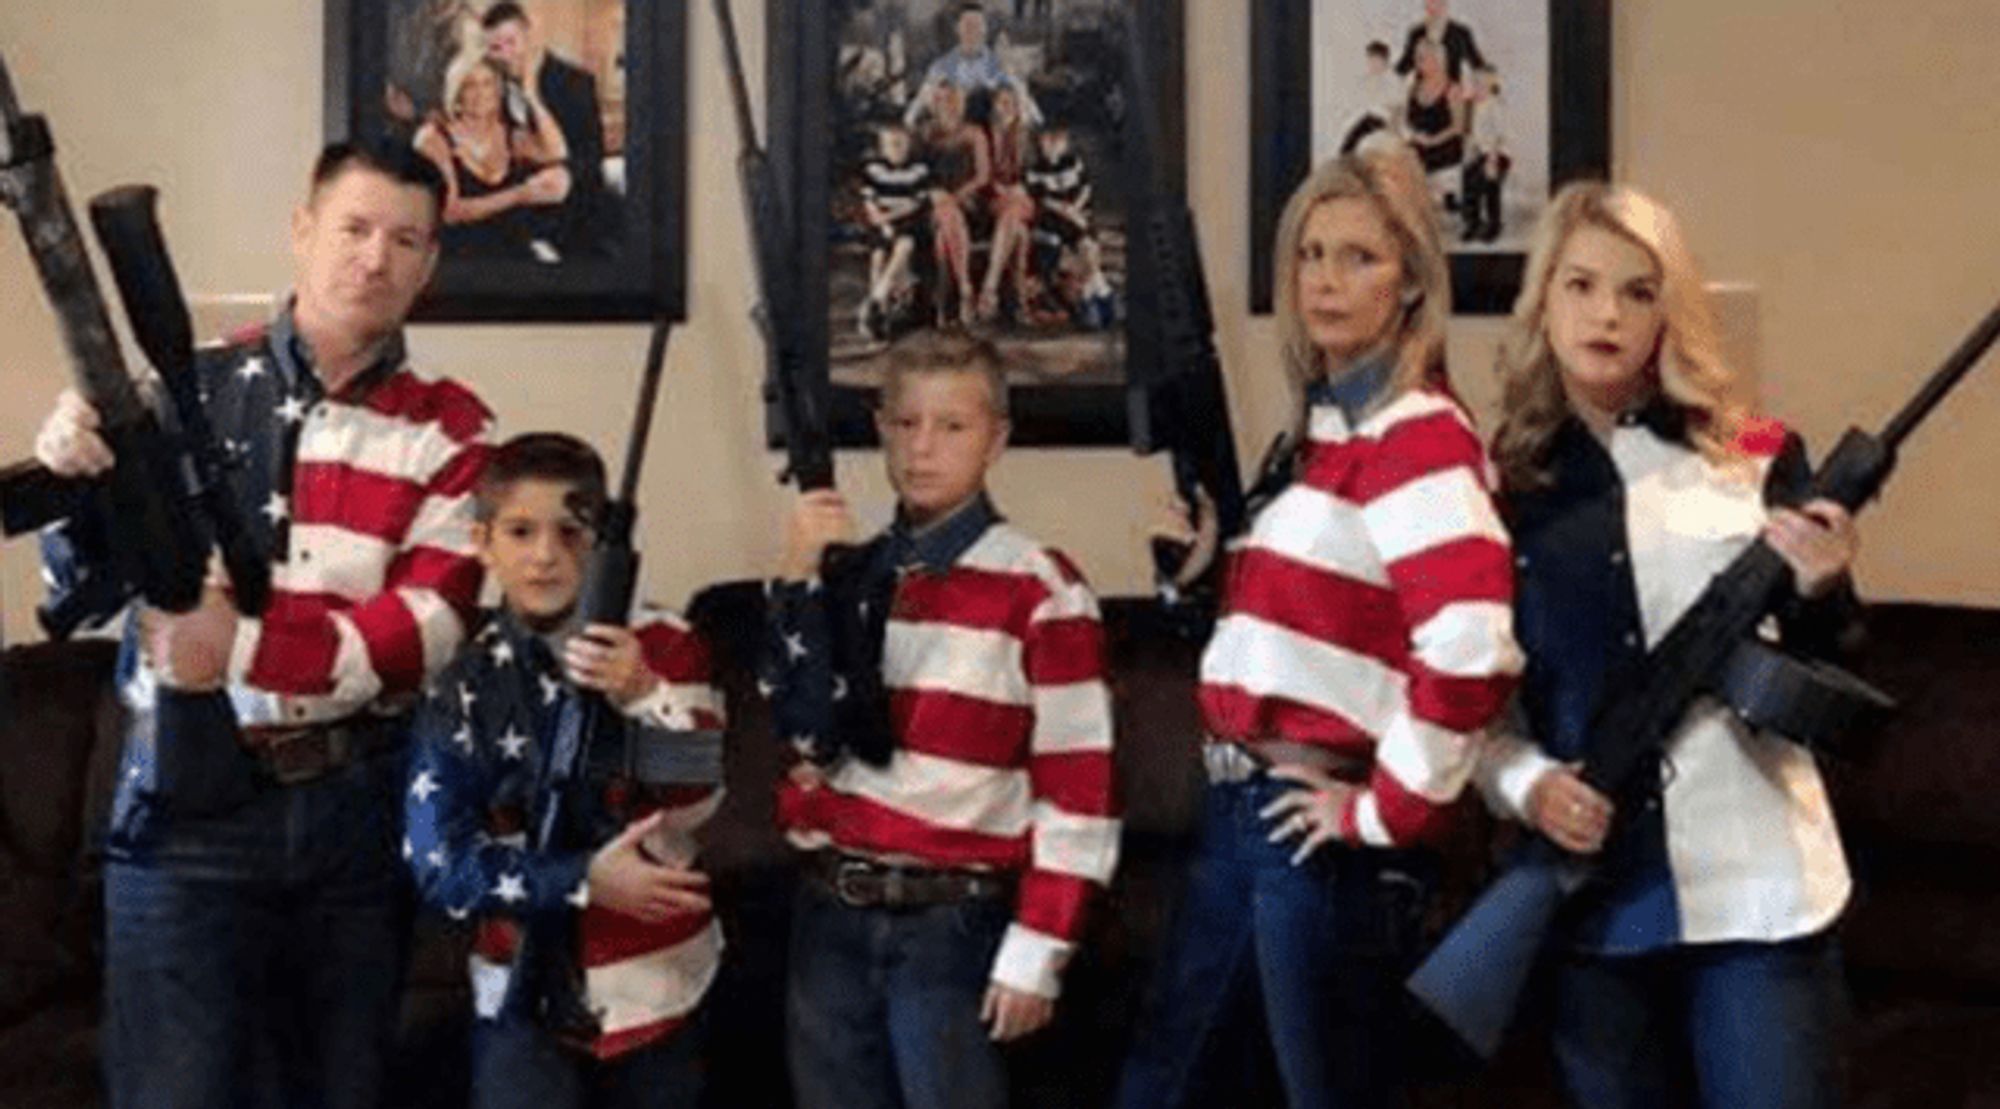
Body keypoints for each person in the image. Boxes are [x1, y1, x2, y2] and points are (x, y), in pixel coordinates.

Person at [33, 140, 493, 1109]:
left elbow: (425, 628)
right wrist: (76, 475)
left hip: (356, 812)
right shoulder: (180, 388)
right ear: (302, 229)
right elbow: (78, 586)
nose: (375, 259)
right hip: (180, 802)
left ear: (429, 263)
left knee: (341, 1087)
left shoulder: (452, 430)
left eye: (405, 239)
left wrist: (234, 646)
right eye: (354, 227)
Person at [1114, 145, 1522, 1109]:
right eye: (1310, 254)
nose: (1326, 281)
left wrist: (1380, 812)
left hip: (1317, 841)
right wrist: (1218, 570)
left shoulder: (1417, 434)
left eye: (1360, 259)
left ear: (1414, 285)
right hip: (1242, 814)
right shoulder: (1327, 433)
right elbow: (1321, 636)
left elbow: (1474, 645)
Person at [1475, 182, 1859, 1109]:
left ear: (1668, 314)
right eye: (1581, 285)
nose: (1606, 312)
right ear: (1544, 303)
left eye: (1639, 291)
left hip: (1763, 890)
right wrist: (1528, 787)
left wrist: (1822, 581)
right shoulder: (1498, 483)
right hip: (1593, 899)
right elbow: (1476, 711)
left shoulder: (1762, 448)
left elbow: (1835, 648)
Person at [762, 333, 1119, 1109]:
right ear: (881, 426)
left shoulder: (1039, 586)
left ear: (997, 438)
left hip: (952, 925)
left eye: (953, 426)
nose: (924, 448)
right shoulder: (846, 572)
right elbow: (798, 725)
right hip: (831, 911)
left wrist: (1040, 949)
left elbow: (1079, 787)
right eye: (907, 422)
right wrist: (796, 579)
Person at [404, 433, 725, 1109]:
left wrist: (642, 692)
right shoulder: (461, 682)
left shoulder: (667, 644)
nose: (545, 555)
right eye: (521, 531)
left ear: (602, 542)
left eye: (571, 532)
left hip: (656, 987)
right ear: (483, 542)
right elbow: (441, 865)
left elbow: (695, 799)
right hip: (518, 993)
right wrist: (582, 881)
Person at [482, 1, 617, 256]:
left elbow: (591, 158)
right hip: (512, 219)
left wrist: (566, 176)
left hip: (572, 219)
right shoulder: (487, 85)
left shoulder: (575, 83)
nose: (505, 54)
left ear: (529, 36)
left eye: (511, 42)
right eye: (495, 48)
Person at [414, 50, 573, 262]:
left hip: (514, 251)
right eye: (470, 85)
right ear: (457, 92)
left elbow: (557, 151)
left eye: (487, 83)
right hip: (458, 258)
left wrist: (531, 95)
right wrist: (520, 194)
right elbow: (449, 212)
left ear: (499, 90)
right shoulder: (433, 138)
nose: (480, 93)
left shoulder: (511, 135)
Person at [1021, 119, 1114, 329]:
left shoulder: (1072, 163)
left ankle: (1097, 288)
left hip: (1075, 215)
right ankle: (1090, 297)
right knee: (1063, 254)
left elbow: (1084, 188)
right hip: (1051, 221)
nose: (1052, 144)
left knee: (1087, 245)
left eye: (1058, 140)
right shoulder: (1035, 170)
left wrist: (1076, 207)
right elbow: (1043, 200)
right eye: (1047, 140)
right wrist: (1067, 211)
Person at [919, 82, 991, 329]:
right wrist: (934, 193)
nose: (948, 105)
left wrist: (958, 196)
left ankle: (944, 303)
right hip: (934, 202)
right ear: (934, 104)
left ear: (962, 104)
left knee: (943, 236)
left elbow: (983, 176)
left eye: (953, 100)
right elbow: (919, 174)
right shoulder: (926, 133)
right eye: (942, 100)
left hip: (968, 201)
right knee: (945, 215)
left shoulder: (974, 133)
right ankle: (964, 289)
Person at [904, 3, 1042, 129]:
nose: (973, 31)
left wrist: (1035, 121)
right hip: (957, 131)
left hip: (992, 129)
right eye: (968, 25)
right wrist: (909, 122)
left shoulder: (1000, 65)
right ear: (957, 29)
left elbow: (1023, 94)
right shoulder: (942, 66)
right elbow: (922, 99)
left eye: (978, 25)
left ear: (985, 29)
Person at [858, 122, 934, 341]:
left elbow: (916, 203)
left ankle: (876, 299)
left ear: (909, 146)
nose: (897, 149)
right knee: (878, 257)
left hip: (908, 221)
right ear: (883, 148)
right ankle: (879, 314)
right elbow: (869, 200)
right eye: (891, 145)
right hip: (881, 222)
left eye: (901, 145)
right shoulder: (874, 170)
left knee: (905, 245)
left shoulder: (918, 170)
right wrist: (881, 221)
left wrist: (891, 218)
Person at [973, 85, 1038, 323]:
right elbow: (981, 172)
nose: (1007, 105)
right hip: (994, 199)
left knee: (1014, 209)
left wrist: (1023, 186)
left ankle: (989, 289)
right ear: (994, 106)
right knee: (1018, 231)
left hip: (1023, 197)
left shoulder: (1028, 134)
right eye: (1001, 101)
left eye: (1011, 101)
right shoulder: (984, 134)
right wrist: (996, 187)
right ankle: (1019, 302)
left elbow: (1036, 172)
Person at [1403, 40, 1466, 187]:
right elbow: (1407, 119)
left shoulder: (1453, 89)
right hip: (1418, 146)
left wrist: (1432, 141)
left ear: (1437, 60)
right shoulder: (1413, 86)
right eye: (1417, 57)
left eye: (1422, 58)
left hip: (1443, 148)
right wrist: (1413, 136)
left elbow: (1458, 127)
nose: (1417, 62)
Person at [1459, 66, 1509, 242]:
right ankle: (1473, 223)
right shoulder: (1472, 106)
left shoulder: (1495, 105)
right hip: (1479, 153)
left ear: (1491, 83)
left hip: (1496, 154)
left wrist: (1492, 161)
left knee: (1489, 188)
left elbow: (1499, 136)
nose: (1478, 85)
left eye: (1483, 81)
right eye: (1476, 81)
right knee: (1469, 185)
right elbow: (1472, 135)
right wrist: (1469, 156)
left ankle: (1494, 224)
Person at [1394, 0, 1489, 89]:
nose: (1434, 8)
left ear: (1445, 5)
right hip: (1422, 96)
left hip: (1452, 95)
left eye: (1438, 3)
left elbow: (1477, 65)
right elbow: (1404, 66)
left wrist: (1489, 83)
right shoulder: (1416, 33)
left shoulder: (1461, 33)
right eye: (1430, 4)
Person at [1338, 40, 1403, 156]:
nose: (1372, 64)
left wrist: (1393, 132)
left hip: (1381, 121)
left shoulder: (1393, 80)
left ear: (1385, 61)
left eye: (1376, 60)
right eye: (1370, 59)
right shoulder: (1365, 80)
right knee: (1347, 147)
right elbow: (1357, 105)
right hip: (1364, 119)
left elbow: (1397, 109)